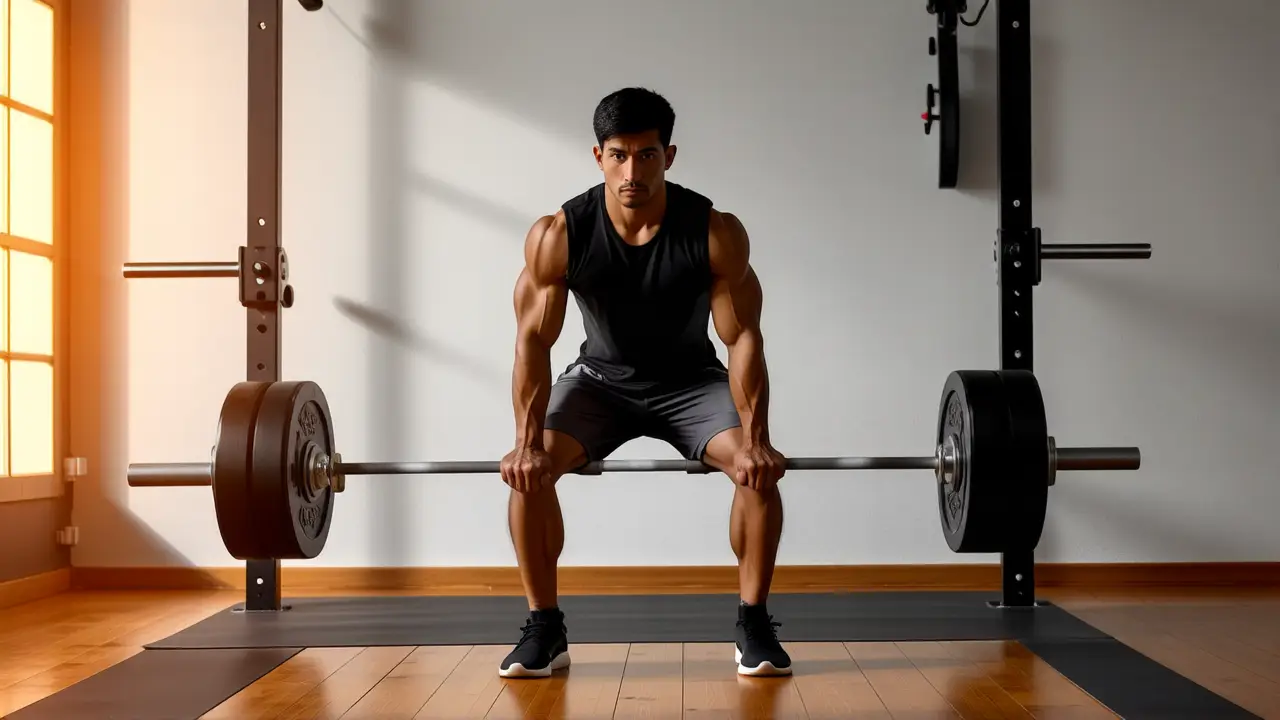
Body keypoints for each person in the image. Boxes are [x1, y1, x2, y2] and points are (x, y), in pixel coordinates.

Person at [497, 87, 790, 679]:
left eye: (647, 155)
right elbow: (533, 341)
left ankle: (753, 623)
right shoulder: (560, 234)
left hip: (690, 384)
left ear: (669, 155)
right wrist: (527, 444)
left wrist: (756, 438)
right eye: (619, 155)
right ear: (598, 155)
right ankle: (543, 627)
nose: (633, 170)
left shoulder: (714, 231)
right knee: (529, 476)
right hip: (599, 383)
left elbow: (742, 338)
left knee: (756, 474)